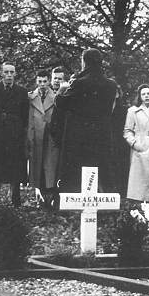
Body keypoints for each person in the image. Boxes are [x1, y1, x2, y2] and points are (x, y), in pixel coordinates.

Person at [51, 48, 118, 195]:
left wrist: (62, 90)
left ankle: (70, 208)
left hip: (79, 137)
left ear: (84, 62)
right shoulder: (111, 85)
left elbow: (61, 104)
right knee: (104, 171)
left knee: (75, 172)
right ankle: (109, 209)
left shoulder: (79, 83)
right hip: (102, 135)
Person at [0, 62, 29, 206]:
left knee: (16, 165)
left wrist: (22, 132)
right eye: (6, 72)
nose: (9, 75)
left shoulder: (22, 92)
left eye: (12, 72)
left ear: (15, 74)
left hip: (15, 134)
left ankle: (15, 198)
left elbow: (25, 115)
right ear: (1, 74)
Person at [27, 70, 60, 209]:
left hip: (50, 137)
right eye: (39, 81)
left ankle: (51, 198)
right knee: (37, 166)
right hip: (36, 137)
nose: (42, 84)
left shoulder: (56, 97)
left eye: (45, 81)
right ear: (36, 82)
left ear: (49, 82)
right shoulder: (30, 97)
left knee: (50, 166)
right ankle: (39, 198)